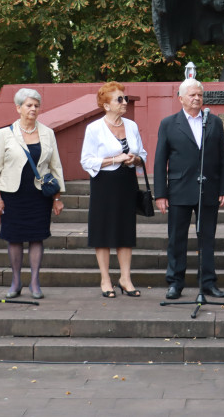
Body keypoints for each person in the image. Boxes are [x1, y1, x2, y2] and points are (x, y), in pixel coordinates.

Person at [154, 78, 224, 300]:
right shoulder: (169, 123)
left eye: (199, 94)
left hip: (209, 188)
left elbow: (222, 158)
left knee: (207, 238)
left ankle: (207, 282)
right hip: (179, 190)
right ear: (180, 98)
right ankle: (175, 283)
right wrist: (160, 194)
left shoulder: (214, 122)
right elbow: (160, 161)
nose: (197, 98)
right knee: (176, 239)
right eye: (192, 95)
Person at [0, 88, 65, 299]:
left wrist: (57, 197)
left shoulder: (47, 133)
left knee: (36, 237)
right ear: (18, 108)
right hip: (12, 194)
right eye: (28, 105)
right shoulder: (5, 133)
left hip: (39, 195)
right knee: (14, 238)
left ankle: (34, 281)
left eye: (36, 105)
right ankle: (15, 281)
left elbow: (55, 166)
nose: (33, 109)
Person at [80, 82, 147, 298]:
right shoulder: (94, 128)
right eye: (119, 99)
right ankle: (105, 279)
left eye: (124, 98)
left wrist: (135, 159)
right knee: (103, 231)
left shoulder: (132, 126)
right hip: (104, 183)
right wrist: (114, 159)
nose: (124, 102)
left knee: (126, 230)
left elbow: (143, 154)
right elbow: (86, 160)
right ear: (106, 105)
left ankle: (125, 278)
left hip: (127, 182)